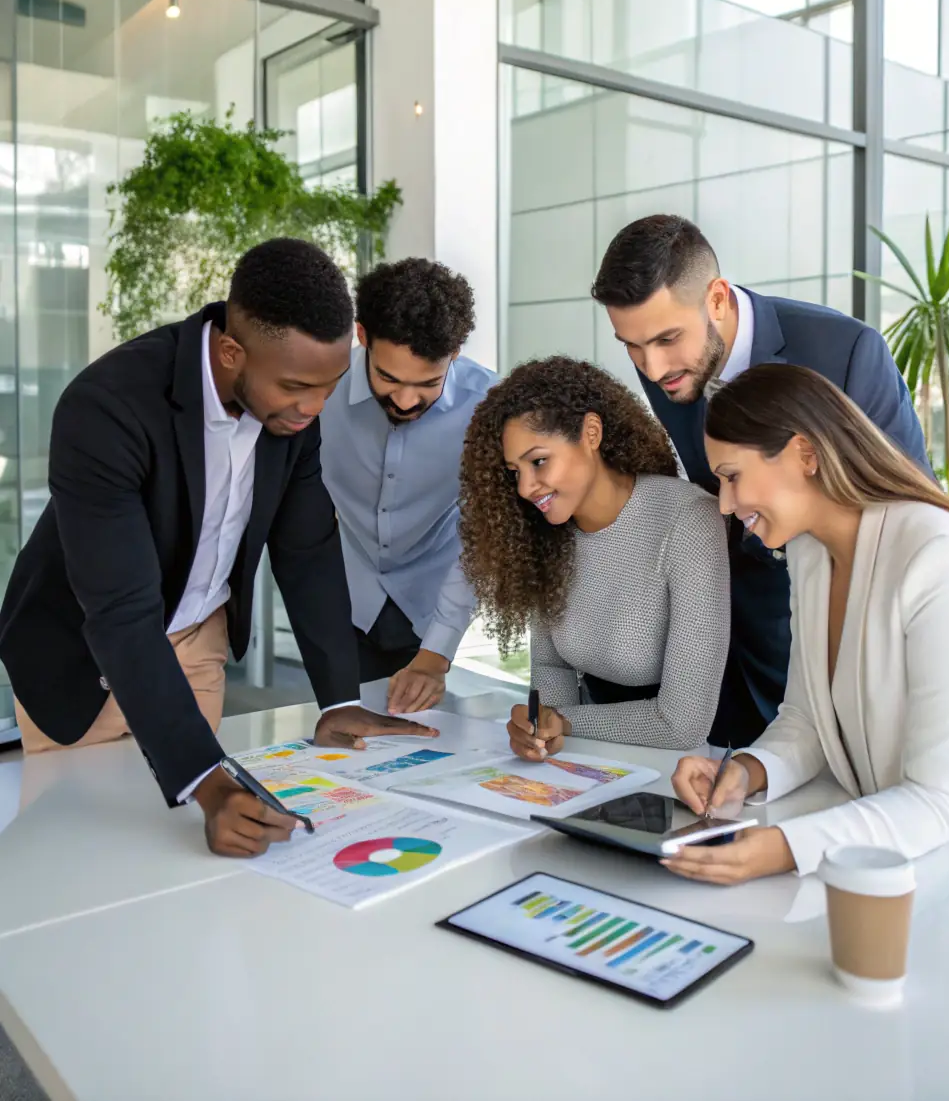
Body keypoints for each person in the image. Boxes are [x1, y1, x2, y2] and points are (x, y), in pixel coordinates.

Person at [0, 238, 437, 857]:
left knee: (184, 847)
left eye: (328, 387)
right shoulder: (107, 407)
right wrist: (205, 778)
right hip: (85, 650)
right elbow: (120, 612)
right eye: (294, 387)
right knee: (91, 847)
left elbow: (307, 548)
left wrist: (338, 698)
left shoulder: (295, 410)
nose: (313, 408)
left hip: (198, 635)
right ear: (232, 352)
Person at [664, 363, 949, 886]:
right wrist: (745, 771)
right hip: (887, 862)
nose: (725, 503)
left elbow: (941, 797)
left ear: (804, 454)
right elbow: (808, 719)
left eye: (732, 477)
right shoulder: (811, 552)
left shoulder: (942, 557)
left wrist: (786, 847)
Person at [592, 214, 929, 748]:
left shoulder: (846, 353)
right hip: (728, 641)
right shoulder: (662, 358)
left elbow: (909, 507)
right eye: (632, 346)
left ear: (718, 300)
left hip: (835, 635)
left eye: (665, 339)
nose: (652, 368)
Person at [459, 356, 730, 756]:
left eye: (538, 462)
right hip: (586, 758)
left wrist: (565, 723)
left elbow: (682, 725)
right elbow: (552, 668)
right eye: (515, 472)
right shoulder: (548, 533)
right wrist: (541, 730)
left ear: (591, 432)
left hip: (685, 768)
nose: (525, 488)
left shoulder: (688, 521)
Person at [319, 257, 496, 714]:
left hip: (431, 602)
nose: (404, 400)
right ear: (362, 337)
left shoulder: (489, 410)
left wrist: (436, 654)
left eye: (427, 384)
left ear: (454, 352)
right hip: (341, 597)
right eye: (389, 378)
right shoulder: (318, 390)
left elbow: (484, 536)